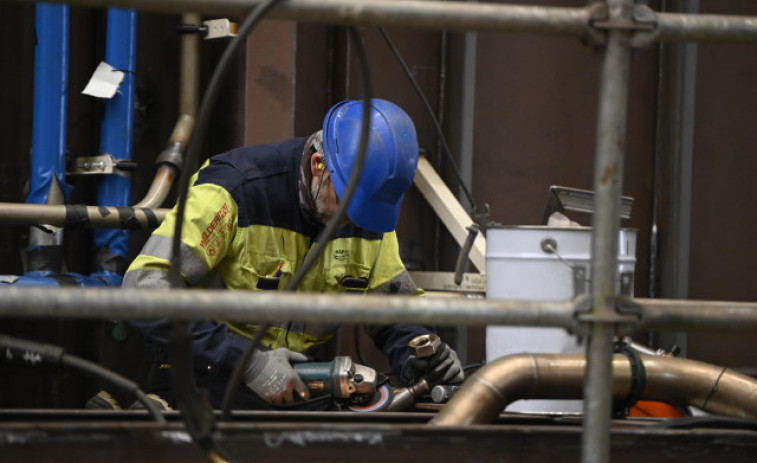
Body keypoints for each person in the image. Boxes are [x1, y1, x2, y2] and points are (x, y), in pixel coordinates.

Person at [122, 99, 464, 410]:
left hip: (297, 386)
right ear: (319, 166)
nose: (356, 221)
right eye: (350, 205)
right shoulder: (235, 190)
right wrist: (248, 362)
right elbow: (145, 288)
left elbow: (393, 311)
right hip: (203, 378)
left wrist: (419, 356)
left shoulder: (368, 215)